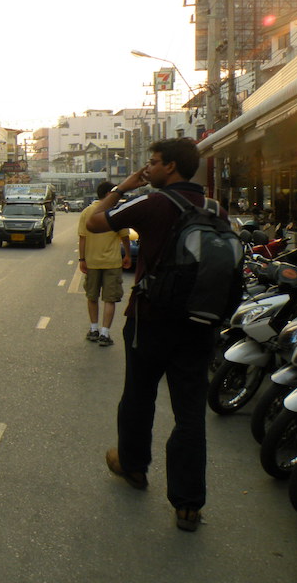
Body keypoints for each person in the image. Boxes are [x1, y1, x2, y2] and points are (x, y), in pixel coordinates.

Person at [86, 137, 223, 533]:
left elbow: (96, 221)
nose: (149, 168)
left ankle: (132, 466)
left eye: (154, 162)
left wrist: (122, 188)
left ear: (172, 168)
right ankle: (188, 504)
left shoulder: (153, 202)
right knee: (190, 414)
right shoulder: (216, 209)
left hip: (152, 320)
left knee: (139, 395)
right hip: (201, 323)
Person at [77, 181, 131, 346]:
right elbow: (125, 236)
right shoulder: (115, 212)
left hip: (92, 262)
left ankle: (93, 329)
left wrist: (82, 259)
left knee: (91, 296)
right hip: (112, 263)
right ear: (109, 194)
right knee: (110, 299)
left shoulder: (87, 212)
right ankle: (104, 333)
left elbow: (82, 238)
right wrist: (127, 255)